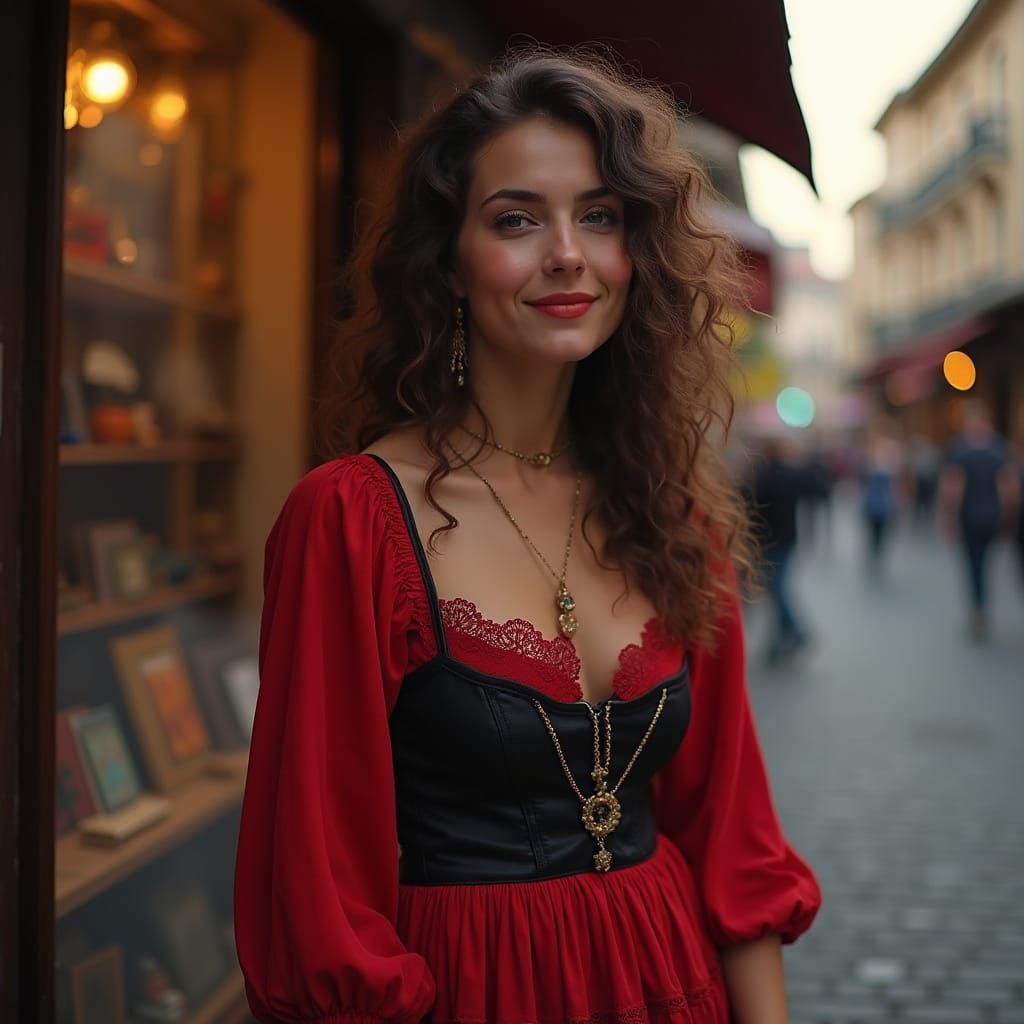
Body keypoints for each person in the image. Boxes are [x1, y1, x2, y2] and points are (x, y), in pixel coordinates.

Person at [234, 50, 820, 1024]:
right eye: (516, 219)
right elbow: (320, 896)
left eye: (598, 216)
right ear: (448, 260)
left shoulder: (671, 514)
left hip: (671, 985)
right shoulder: (350, 518)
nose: (567, 253)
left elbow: (732, 840)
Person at [938, 402, 1019, 639]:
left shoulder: (960, 451)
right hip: (992, 516)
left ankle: (978, 608)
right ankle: (982, 606)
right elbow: (1009, 488)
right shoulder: (999, 449)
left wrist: (948, 517)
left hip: (969, 517)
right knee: (985, 562)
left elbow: (953, 487)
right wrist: (1008, 517)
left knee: (973, 564)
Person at [747, 436, 812, 665]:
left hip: (768, 542)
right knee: (776, 590)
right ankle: (780, 640)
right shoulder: (791, 475)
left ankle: (796, 632)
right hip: (787, 539)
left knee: (776, 590)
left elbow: (750, 510)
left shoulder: (761, 478)